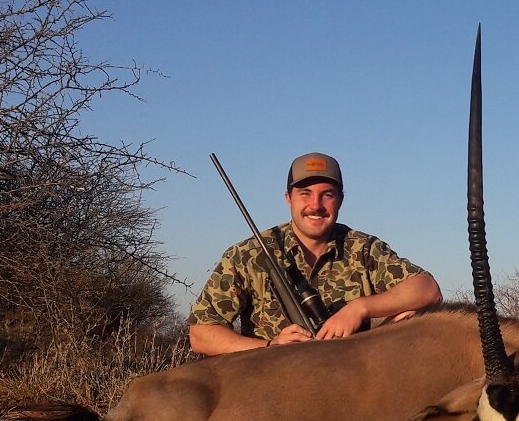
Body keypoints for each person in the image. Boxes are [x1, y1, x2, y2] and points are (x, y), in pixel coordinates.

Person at [188, 151, 442, 355]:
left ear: (340, 199)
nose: (316, 206)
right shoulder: (248, 253)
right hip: (269, 385)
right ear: (289, 198)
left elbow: (428, 290)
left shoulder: (363, 248)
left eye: (327, 195)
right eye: (305, 194)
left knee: (410, 316)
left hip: (350, 379)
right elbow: (201, 334)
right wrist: (269, 346)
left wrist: (359, 309)